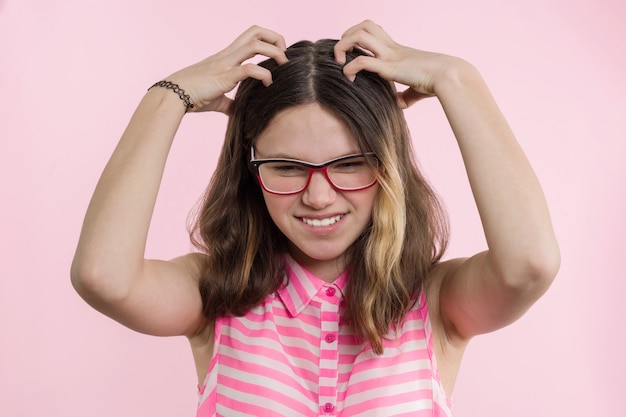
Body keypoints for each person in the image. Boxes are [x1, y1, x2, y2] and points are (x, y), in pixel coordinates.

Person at [71, 20, 560, 416]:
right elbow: (103, 277)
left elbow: (530, 263)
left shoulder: (433, 302)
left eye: (349, 164)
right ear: (251, 170)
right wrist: (167, 96)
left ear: (387, 166)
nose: (319, 196)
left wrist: (458, 78)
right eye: (287, 167)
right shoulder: (215, 293)